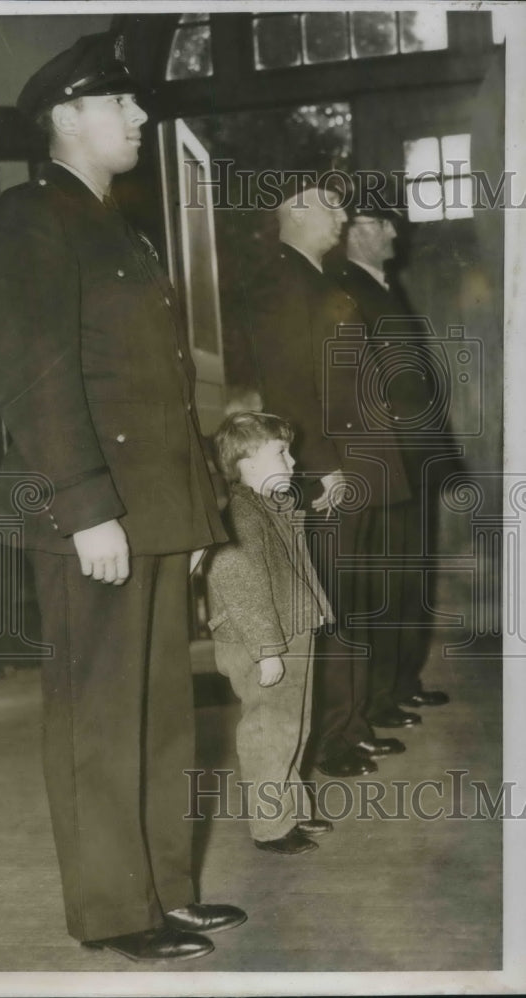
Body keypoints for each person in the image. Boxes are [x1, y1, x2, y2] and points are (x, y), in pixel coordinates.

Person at [0, 32, 246, 962]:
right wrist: (86, 507)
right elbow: (36, 378)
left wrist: (191, 512)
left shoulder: (115, 224)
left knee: (162, 711)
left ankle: (163, 886)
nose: (138, 117)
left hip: (152, 507)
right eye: (117, 104)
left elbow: (159, 385)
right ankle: (113, 908)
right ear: (65, 117)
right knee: (98, 713)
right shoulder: (29, 217)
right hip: (93, 510)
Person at [248, 182, 414, 780]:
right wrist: (320, 468)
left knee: (355, 603)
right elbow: (290, 390)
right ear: (294, 211)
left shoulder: (321, 281)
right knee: (334, 607)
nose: (342, 217)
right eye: (330, 205)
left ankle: (351, 723)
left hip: (360, 466)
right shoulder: (281, 283)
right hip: (331, 471)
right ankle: (330, 740)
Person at [327, 203, 453, 714]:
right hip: (385, 461)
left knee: (413, 577)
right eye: (383, 223)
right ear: (355, 231)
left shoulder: (382, 285)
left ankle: (402, 682)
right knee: (387, 579)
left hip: (415, 458)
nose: (395, 232)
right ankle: (378, 698)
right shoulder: (342, 287)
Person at [207, 412, 334, 854]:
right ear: (246, 461)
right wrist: (266, 651)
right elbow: (240, 585)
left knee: (292, 727)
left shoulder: (269, 506)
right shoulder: (241, 514)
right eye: (282, 452)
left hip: (290, 631)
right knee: (268, 729)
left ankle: (291, 811)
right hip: (262, 641)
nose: (294, 461)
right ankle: (270, 827)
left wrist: (314, 613)